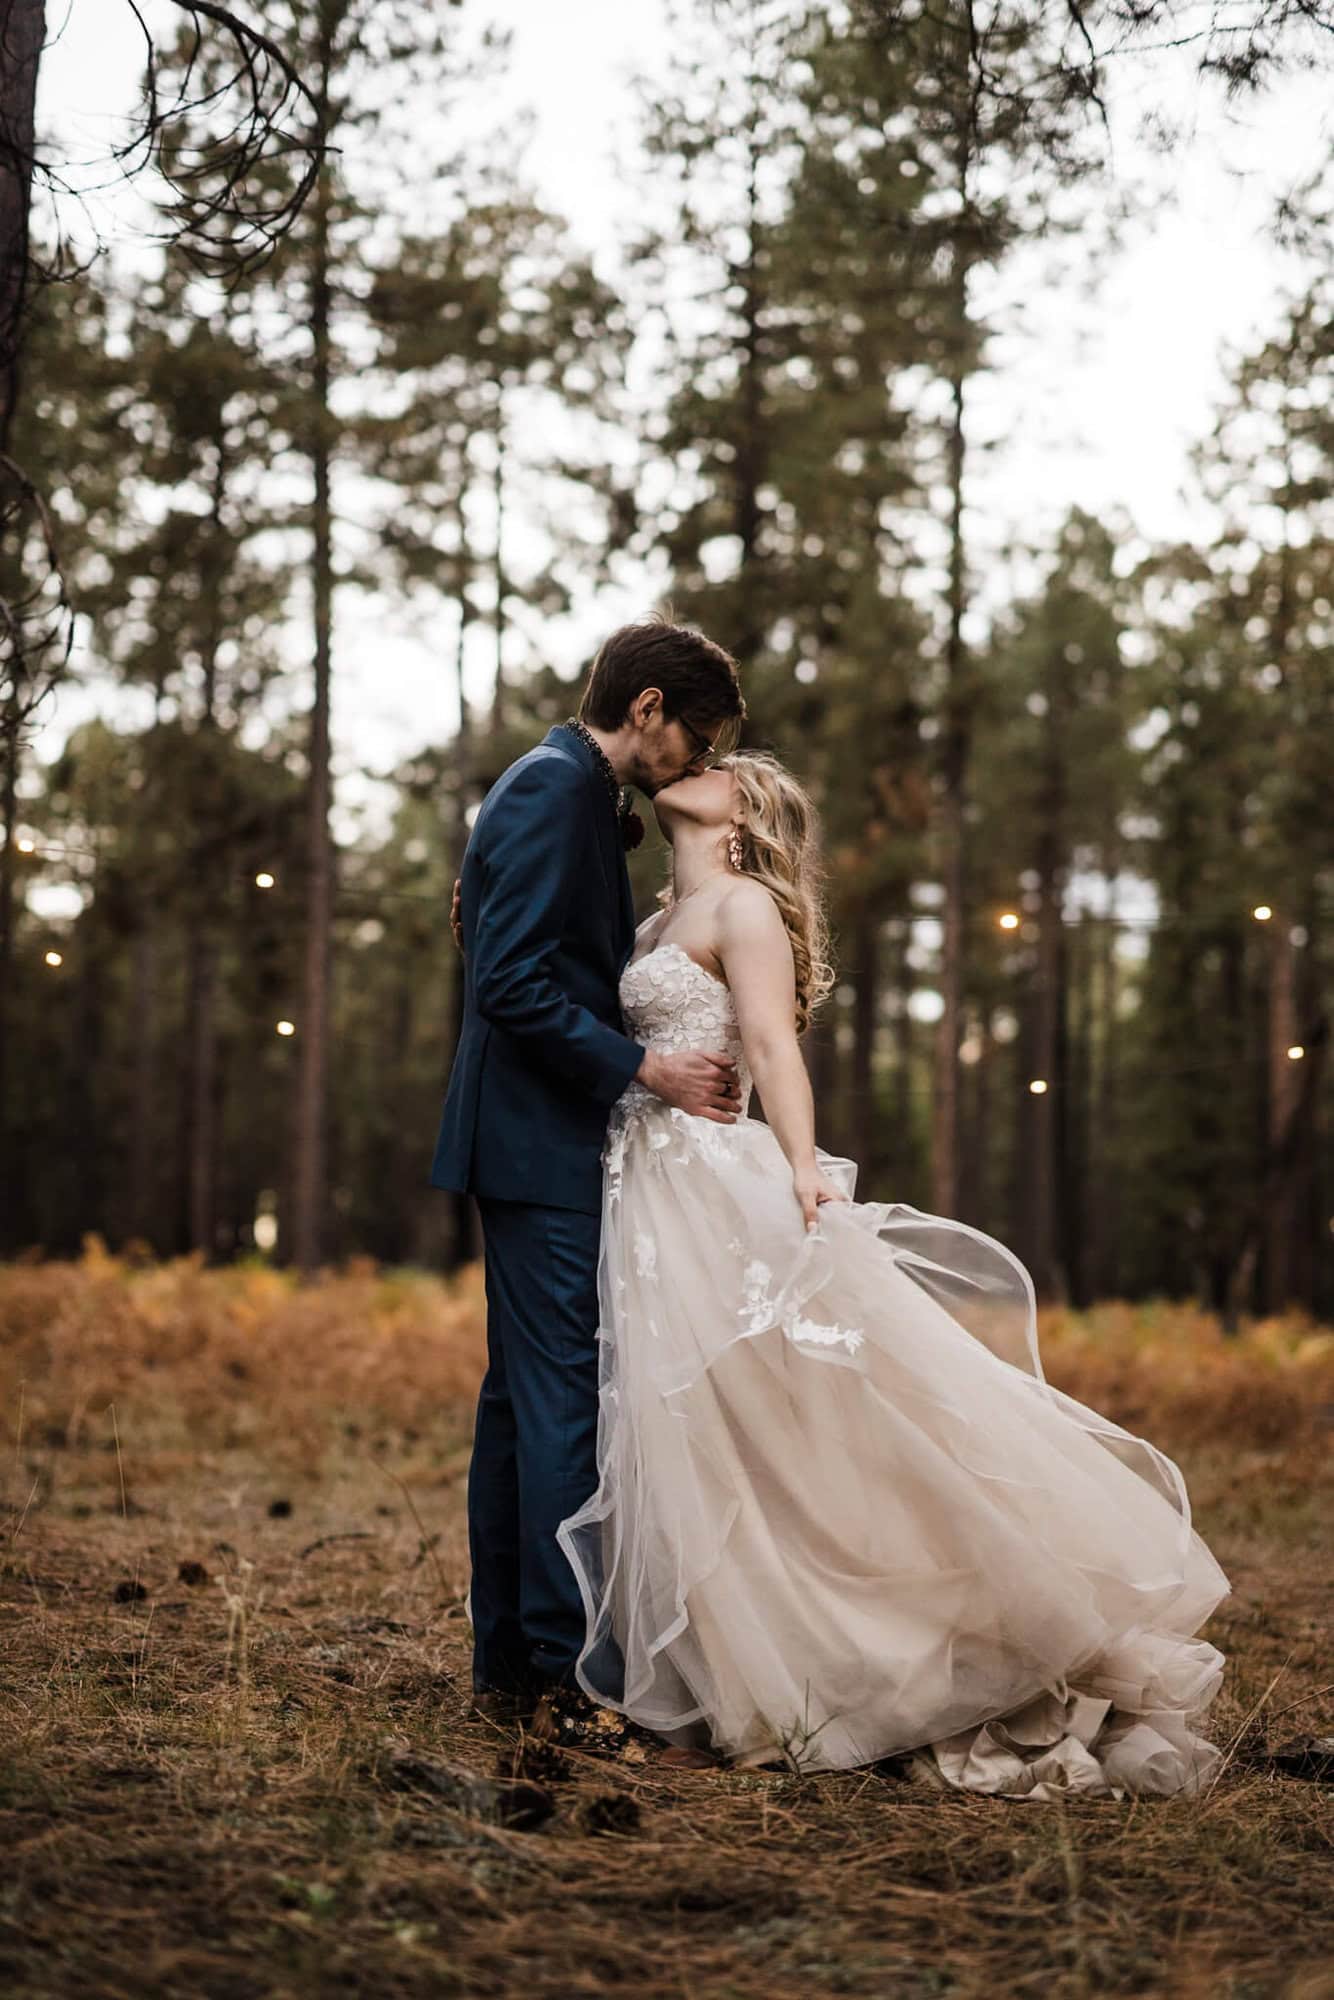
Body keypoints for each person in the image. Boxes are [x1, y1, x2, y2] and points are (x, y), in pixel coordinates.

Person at [553, 749, 1232, 1799]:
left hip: (714, 1186)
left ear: (744, 815)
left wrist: (799, 1172)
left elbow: (775, 1048)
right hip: (644, 1194)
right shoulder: (647, 926)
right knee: (684, 1430)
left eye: (722, 765)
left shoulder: (740, 907)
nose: (695, 765)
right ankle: (728, 1672)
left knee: (777, 1419)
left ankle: (888, 1644)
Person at [429, 614, 746, 1729]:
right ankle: (561, 1676)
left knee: (523, 1405)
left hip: (538, 1134)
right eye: (694, 736)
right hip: (535, 1134)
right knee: (560, 1399)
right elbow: (512, 988)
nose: (697, 763)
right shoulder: (553, 787)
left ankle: (511, 1663)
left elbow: (518, 949)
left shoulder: (562, 790)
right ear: (646, 708)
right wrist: (643, 1066)